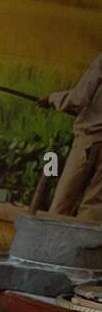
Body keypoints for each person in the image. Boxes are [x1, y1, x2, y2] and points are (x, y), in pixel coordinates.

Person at [40, 53, 102, 222]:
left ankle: (51, 245)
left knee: (63, 203)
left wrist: (53, 99)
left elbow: (78, 98)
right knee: (94, 207)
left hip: (88, 140)